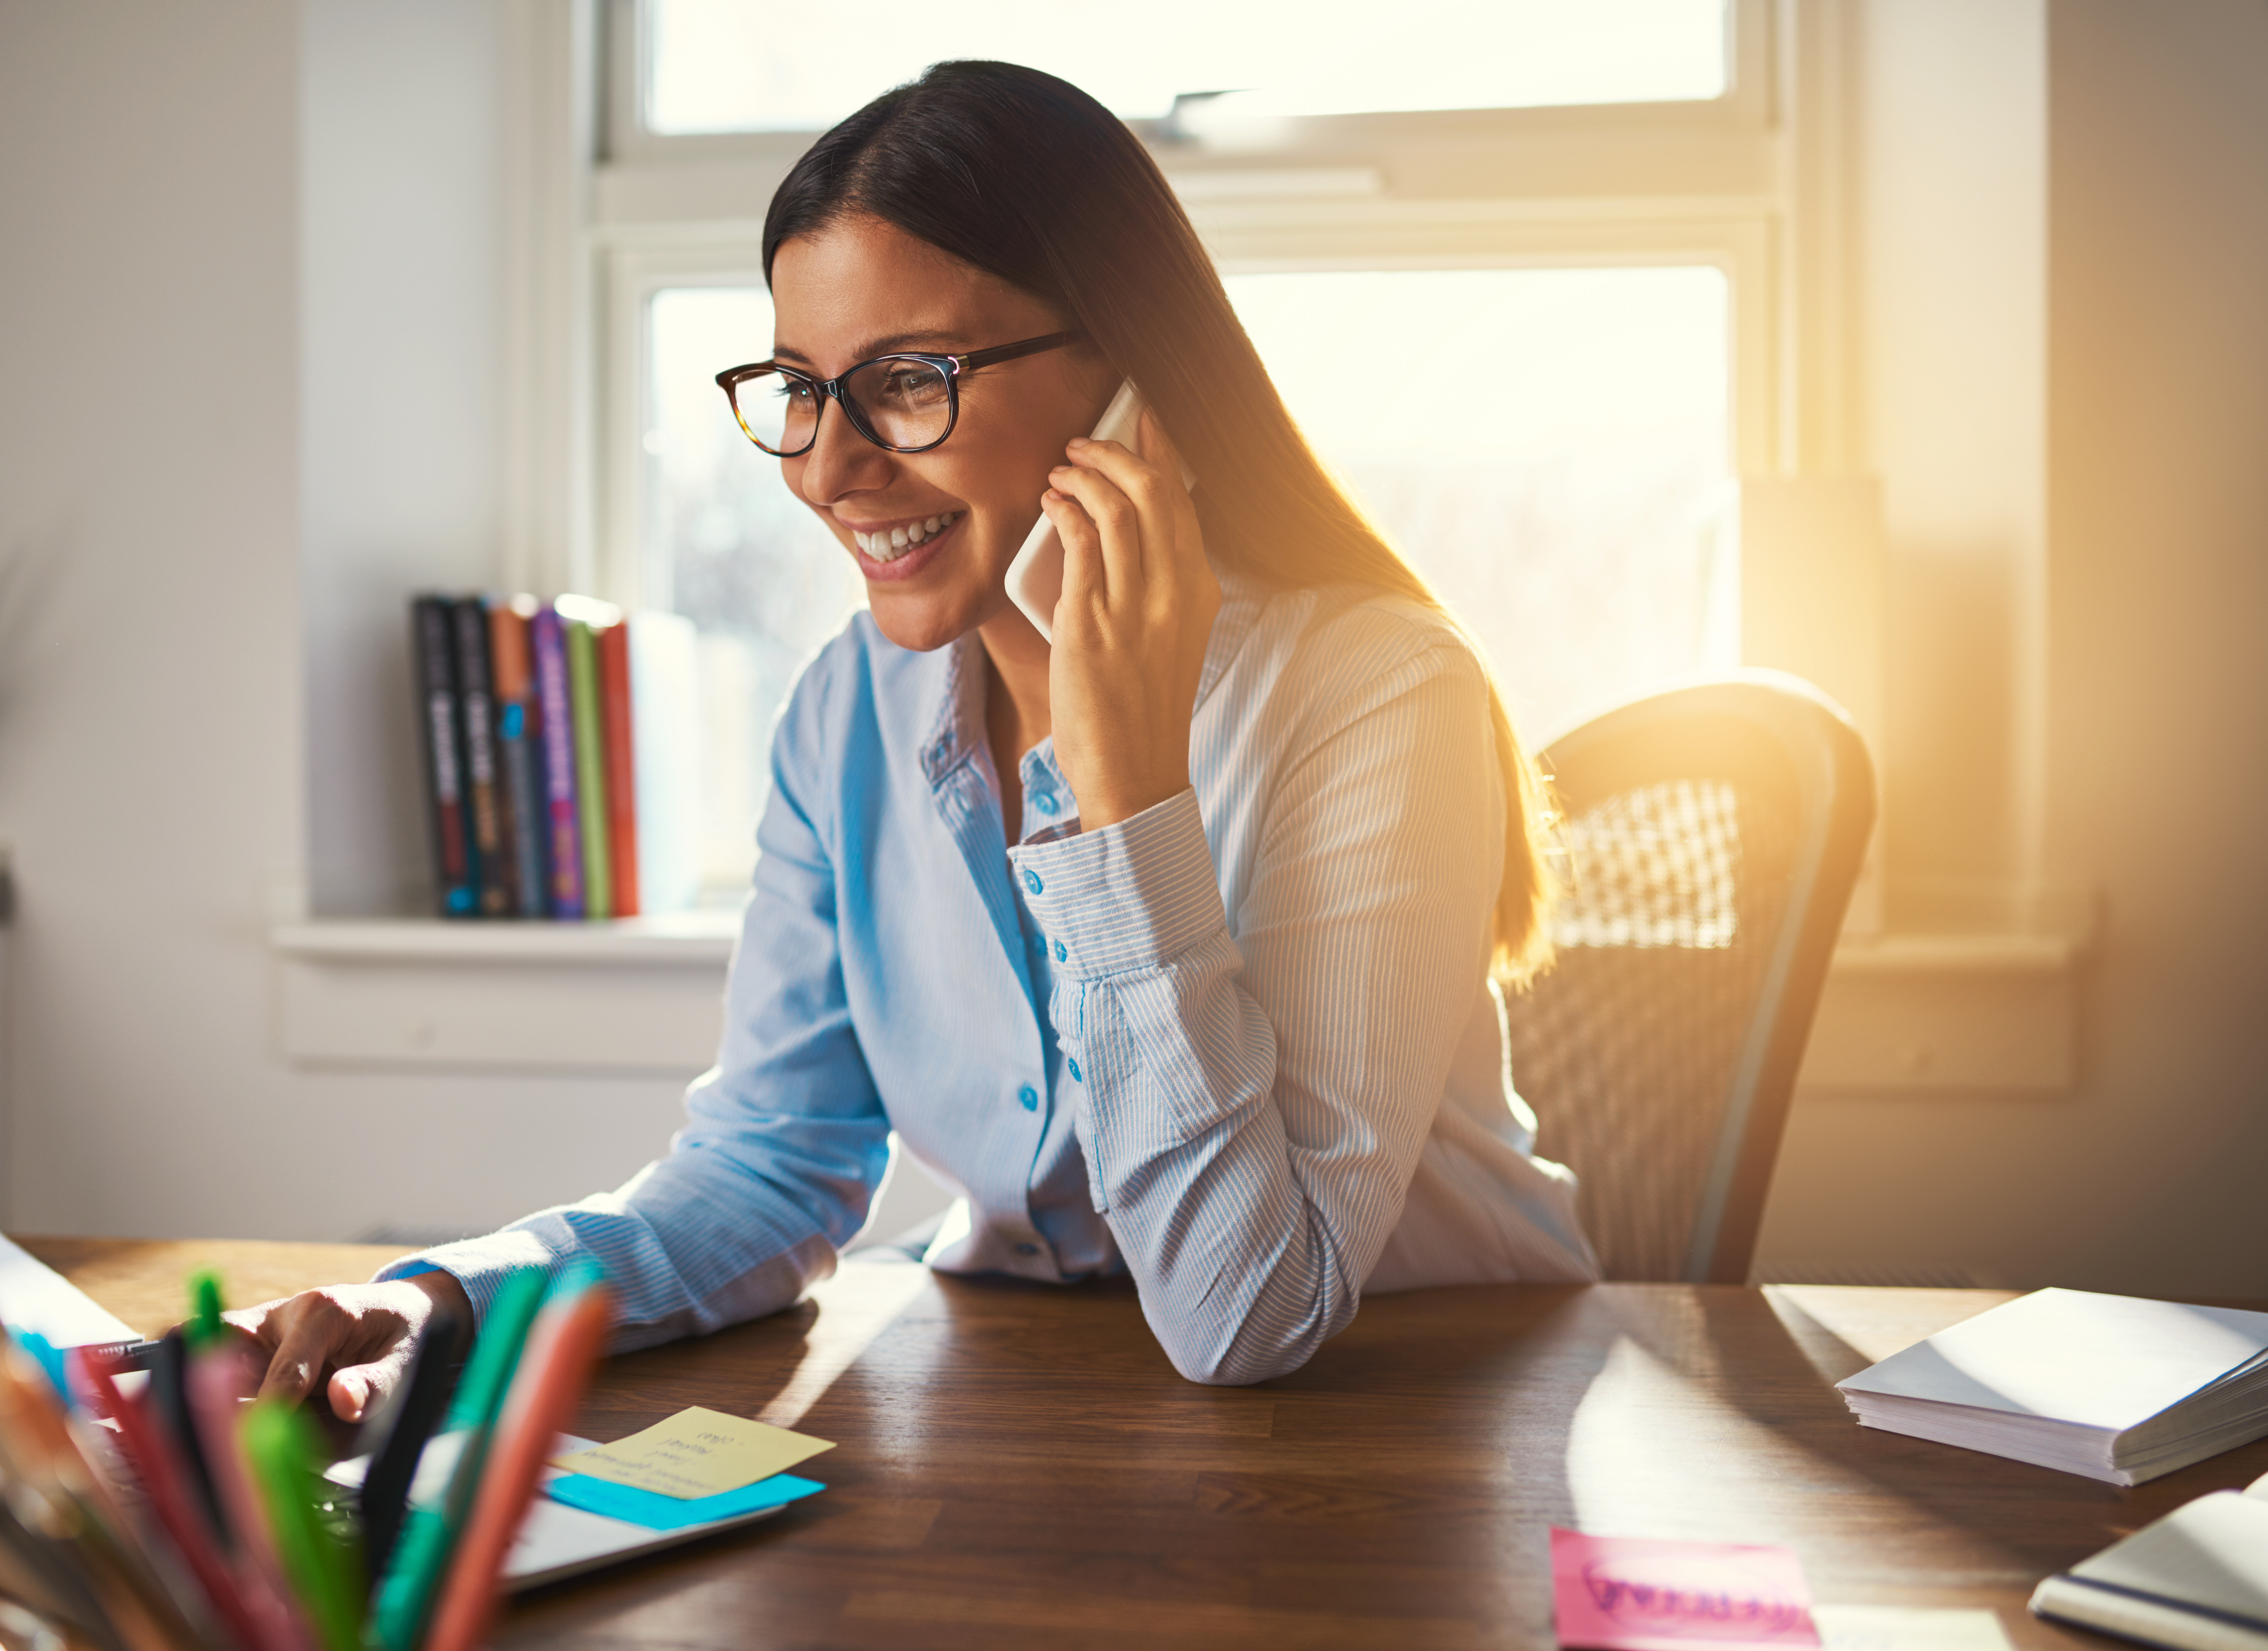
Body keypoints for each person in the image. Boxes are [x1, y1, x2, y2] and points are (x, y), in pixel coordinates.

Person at [228, 59, 1596, 1410]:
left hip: (1426, 1418)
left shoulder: (1370, 691)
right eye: (800, 388)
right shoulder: (849, 708)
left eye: (909, 379)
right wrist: (440, 1301)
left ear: (1131, 378)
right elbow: (770, 1165)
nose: (827, 468)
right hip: (1051, 1408)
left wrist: (1123, 805)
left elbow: (1248, 1311)